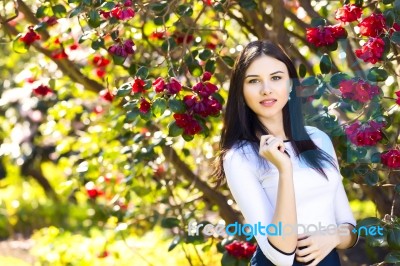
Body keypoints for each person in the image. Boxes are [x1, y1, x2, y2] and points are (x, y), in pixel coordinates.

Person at [213, 40, 358, 266]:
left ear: (290, 85)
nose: (266, 89)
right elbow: (281, 255)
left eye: (276, 78)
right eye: (253, 81)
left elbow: (349, 226)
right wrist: (284, 169)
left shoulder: (318, 139)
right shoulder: (239, 157)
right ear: (241, 90)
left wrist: (333, 236)